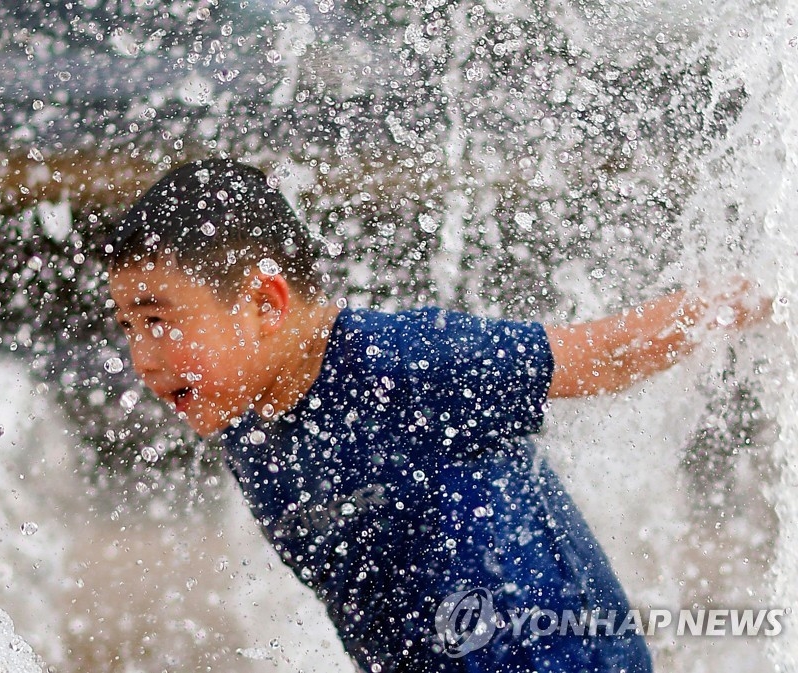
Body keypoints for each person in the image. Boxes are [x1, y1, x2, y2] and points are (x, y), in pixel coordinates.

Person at [102, 158, 769, 673]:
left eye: (160, 320)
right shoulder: (246, 428)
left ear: (265, 303)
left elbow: (601, 355)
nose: (143, 357)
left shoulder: (407, 363)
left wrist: (754, 293)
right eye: (129, 326)